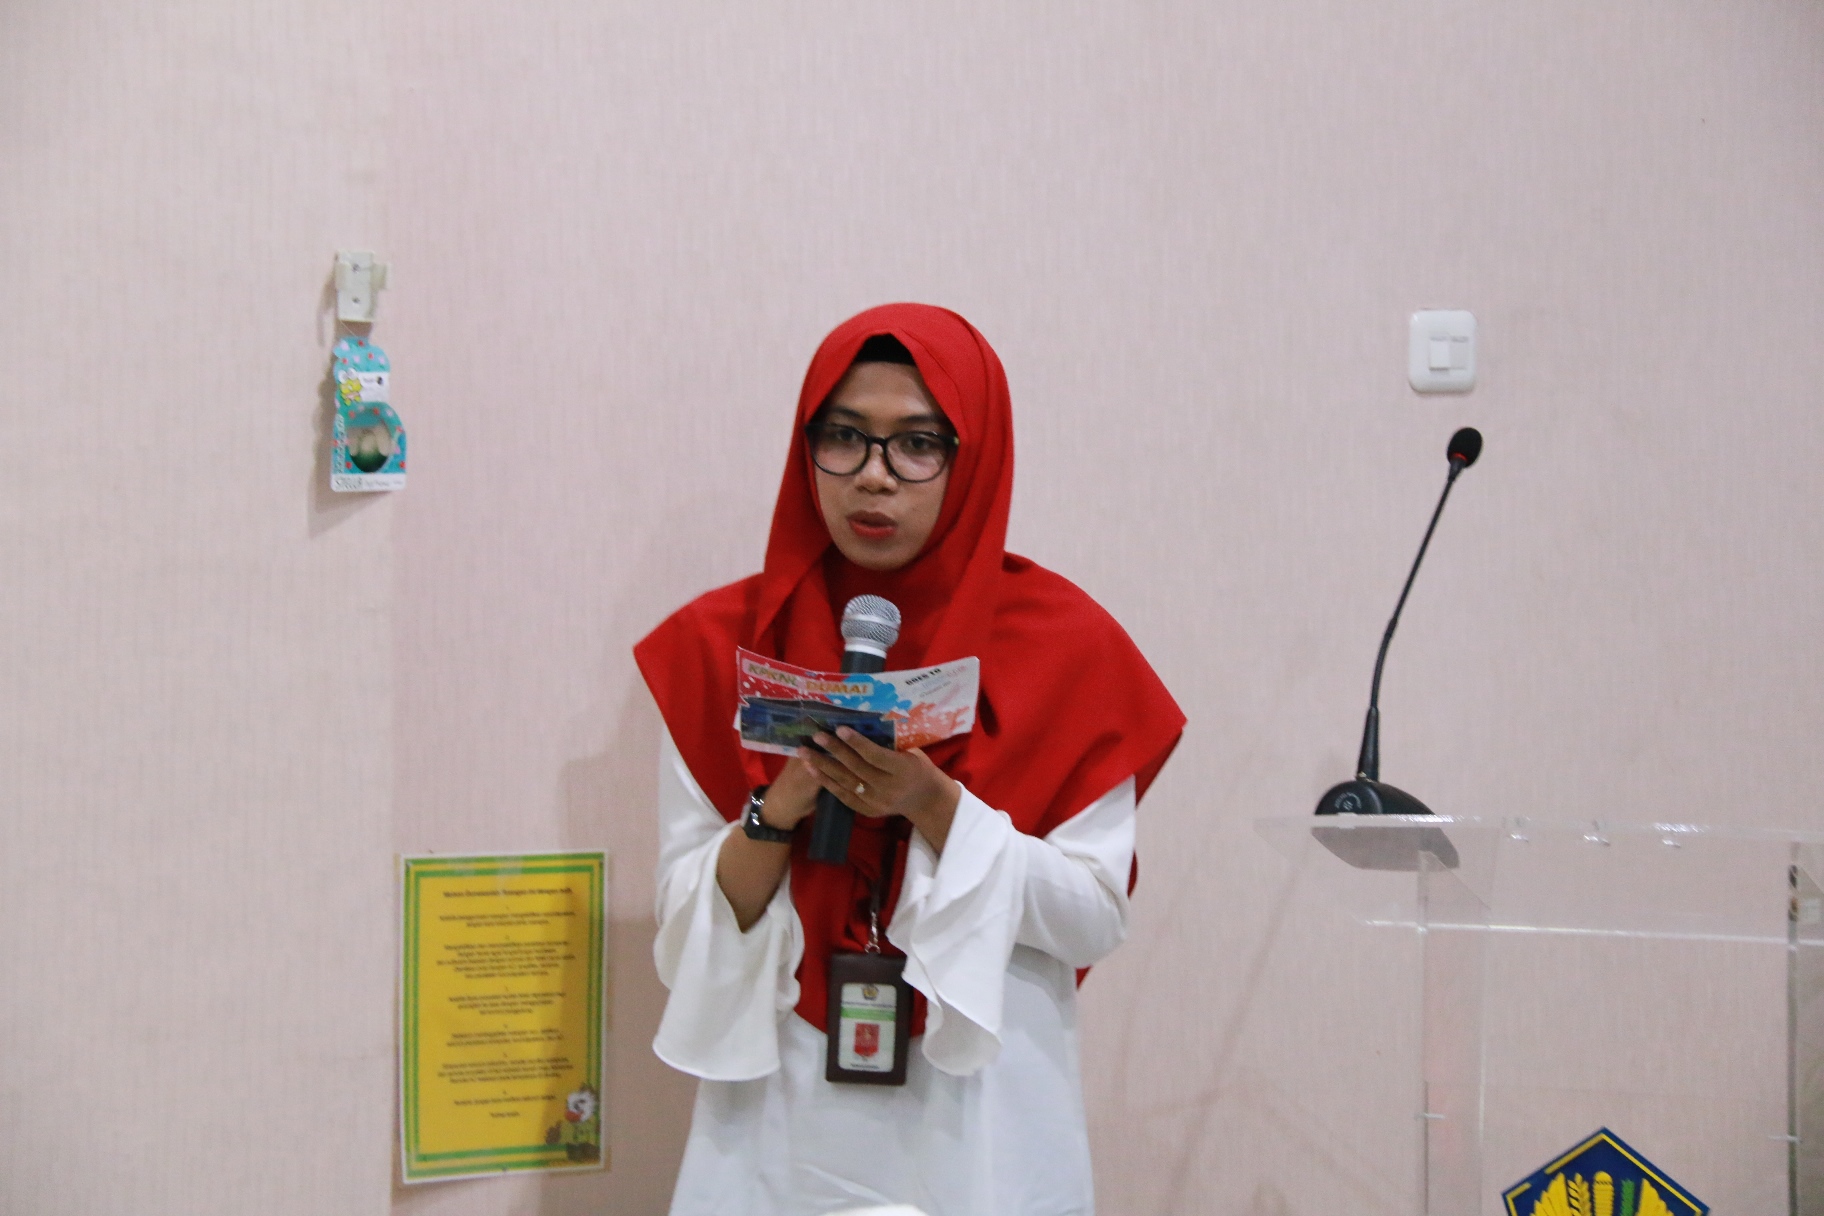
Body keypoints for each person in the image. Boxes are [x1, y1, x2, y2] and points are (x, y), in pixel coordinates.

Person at [634, 303, 1185, 1216]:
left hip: (984, 1122)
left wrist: (936, 806)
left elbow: (1092, 919)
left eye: (918, 444)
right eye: (844, 437)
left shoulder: (1070, 650)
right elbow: (683, 929)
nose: (874, 475)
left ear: (975, 459)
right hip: (777, 1122)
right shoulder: (718, 648)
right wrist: (784, 806)